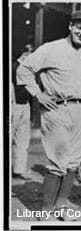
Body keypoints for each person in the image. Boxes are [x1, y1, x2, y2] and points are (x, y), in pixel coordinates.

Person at [17, 11, 81, 221]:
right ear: (70, 26)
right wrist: (38, 94)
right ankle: (45, 209)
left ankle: (61, 207)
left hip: (80, 111)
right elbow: (24, 69)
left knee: (73, 162)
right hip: (56, 110)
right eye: (79, 27)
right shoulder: (51, 49)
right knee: (57, 161)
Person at [11, 44, 34, 180]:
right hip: (13, 106)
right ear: (25, 54)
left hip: (25, 106)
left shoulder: (29, 70)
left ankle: (19, 170)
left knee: (23, 140)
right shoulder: (13, 67)